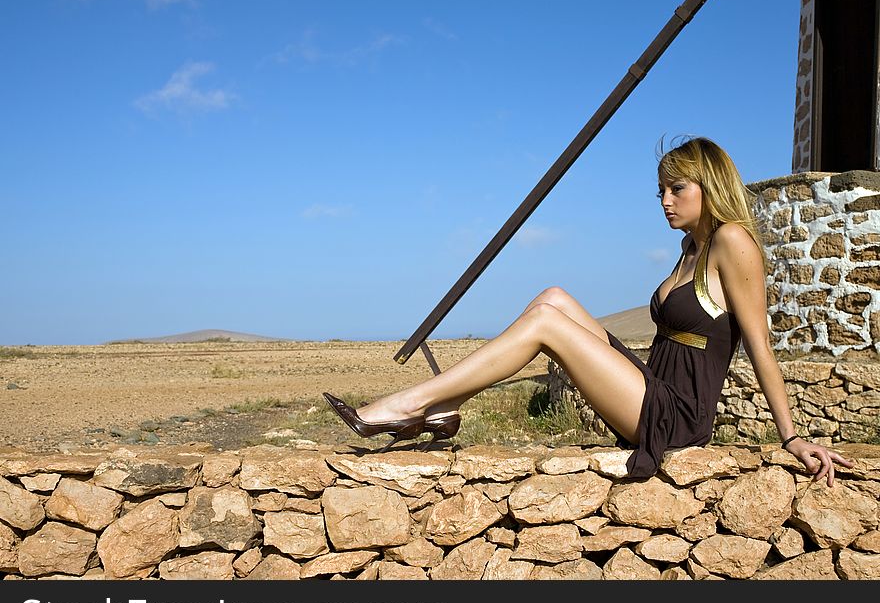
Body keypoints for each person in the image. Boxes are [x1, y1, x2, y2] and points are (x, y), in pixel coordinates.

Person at [324, 136, 854, 487]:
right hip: (652, 384)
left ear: (709, 186)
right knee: (552, 296)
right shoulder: (690, 246)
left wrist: (792, 437)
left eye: (677, 188)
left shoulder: (731, 240)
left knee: (547, 325)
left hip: (677, 416)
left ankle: (406, 404)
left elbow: (759, 344)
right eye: (660, 191)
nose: (664, 200)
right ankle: (441, 409)